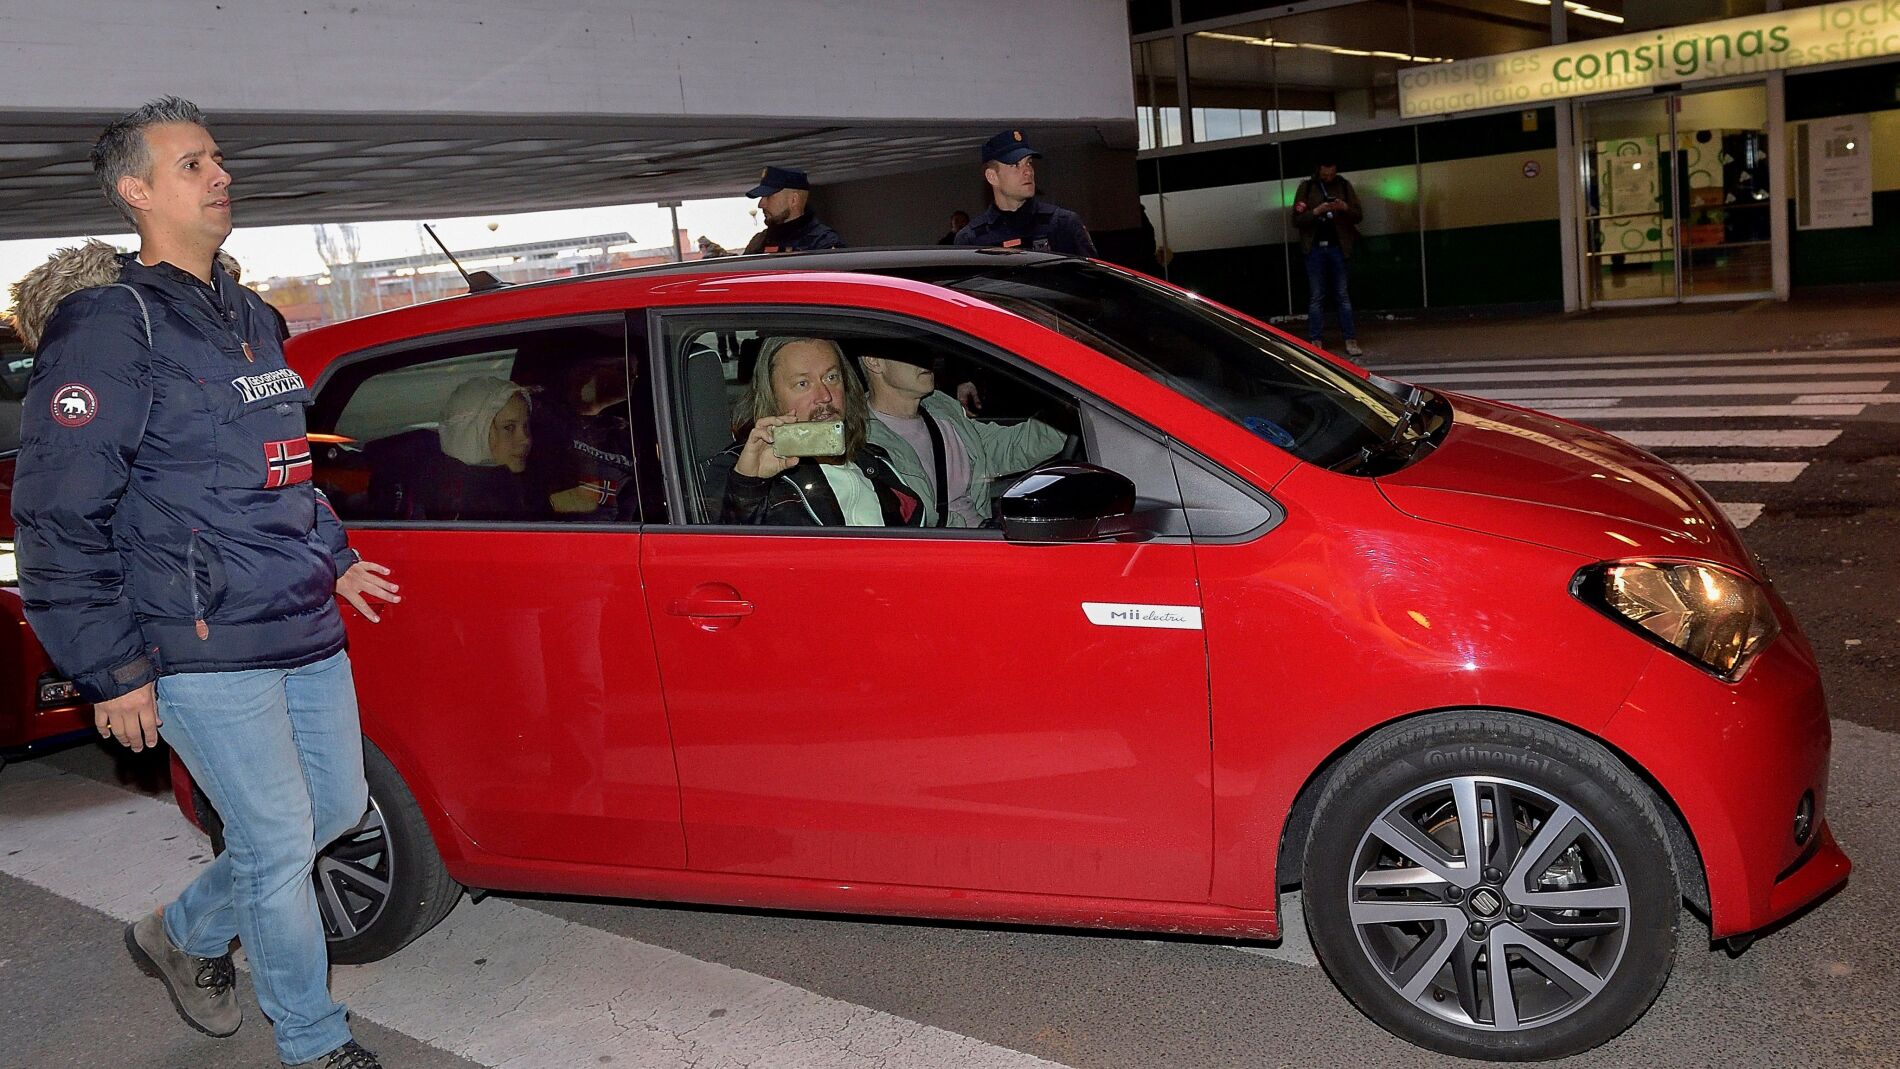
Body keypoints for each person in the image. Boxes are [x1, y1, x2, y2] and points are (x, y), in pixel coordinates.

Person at [7, 98, 397, 1069]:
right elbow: (58, 507)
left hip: (296, 615)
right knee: (273, 839)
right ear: (137, 192)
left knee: (334, 812)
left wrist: (334, 553)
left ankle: (178, 933)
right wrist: (111, 667)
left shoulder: (248, 312)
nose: (219, 174)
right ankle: (313, 1039)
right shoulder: (111, 323)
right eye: (192, 164)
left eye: (218, 158)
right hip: (193, 635)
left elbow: (280, 463)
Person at [710, 337, 921, 527]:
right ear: (772, 396)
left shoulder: (875, 461)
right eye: (803, 384)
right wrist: (748, 486)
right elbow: (720, 553)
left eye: (831, 377)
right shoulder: (740, 467)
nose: (825, 396)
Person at [858, 341, 1064, 528]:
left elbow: (1008, 447)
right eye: (912, 346)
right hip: (945, 553)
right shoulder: (861, 439)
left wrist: (1066, 411)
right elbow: (916, 520)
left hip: (981, 540)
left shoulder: (941, 408)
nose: (928, 355)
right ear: (874, 362)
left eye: (925, 344)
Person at [953, 130, 1096, 256]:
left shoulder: (1063, 224)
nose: (1028, 171)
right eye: (1015, 165)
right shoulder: (971, 239)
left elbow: (1095, 281)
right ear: (992, 176)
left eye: (1029, 163)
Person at [1290, 157, 1365, 358]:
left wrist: (1344, 208)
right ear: (1318, 171)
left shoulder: (1344, 186)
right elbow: (1296, 219)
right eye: (1325, 174)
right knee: (1317, 296)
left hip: (1338, 248)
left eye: (1331, 173)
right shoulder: (1307, 188)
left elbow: (1358, 215)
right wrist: (1317, 211)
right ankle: (1315, 340)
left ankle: (1350, 339)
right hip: (1314, 249)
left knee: (1342, 295)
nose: (1329, 177)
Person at [742, 166, 844, 254]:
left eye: (768, 196)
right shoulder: (759, 241)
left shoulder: (823, 243)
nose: (761, 204)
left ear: (793, 200)